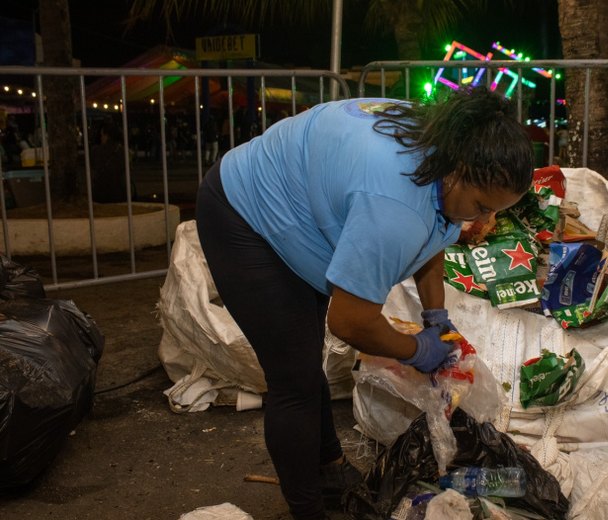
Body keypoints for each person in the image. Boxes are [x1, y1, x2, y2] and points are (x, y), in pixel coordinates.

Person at [194, 87, 533, 520]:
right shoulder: (394, 204)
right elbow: (350, 323)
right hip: (244, 213)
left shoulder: (449, 144)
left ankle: (330, 468)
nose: (482, 221)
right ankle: (308, 510)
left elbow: (435, 236)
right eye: (482, 206)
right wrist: (416, 351)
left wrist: (436, 315)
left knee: (302, 355)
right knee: (293, 380)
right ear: (457, 171)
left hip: (304, 208)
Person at [91, 119, 130, 203]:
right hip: (118, 192)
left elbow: (94, 167)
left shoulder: (96, 151)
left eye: (102, 135)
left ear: (106, 135)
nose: (101, 138)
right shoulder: (123, 151)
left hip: (100, 192)